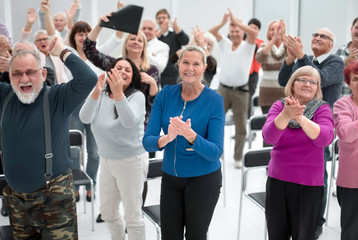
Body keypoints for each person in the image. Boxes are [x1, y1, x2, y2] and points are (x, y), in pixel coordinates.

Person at [1, 36, 97, 239]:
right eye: (17, 74)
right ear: (9, 77)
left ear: (43, 74)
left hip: (53, 200)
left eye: (30, 72)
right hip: (17, 201)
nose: (24, 79)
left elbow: (88, 79)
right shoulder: (5, 97)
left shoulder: (57, 97)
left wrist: (63, 52)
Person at [143, 45, 225, 239]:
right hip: (171, 179)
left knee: (196, 235)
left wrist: (192, 137)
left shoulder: (214, 100)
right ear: (178, 65)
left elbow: (216, 151)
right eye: (185, 62)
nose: (190, 68)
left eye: (196, 63)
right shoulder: (165, 95)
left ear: (204, 67)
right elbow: (148, 141)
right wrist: (168, 138)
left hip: (203, 179)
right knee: (170, 235)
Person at [278, 24, 345, 238]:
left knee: (318, 176)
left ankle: (316, 221)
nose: (316, 37)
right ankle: (292, 214)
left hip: (319, 125)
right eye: (314, 34)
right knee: (295, 169)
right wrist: (290, 59)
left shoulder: (336, 62)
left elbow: (320, 79)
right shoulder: (306, 60)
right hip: (295, 121)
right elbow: (283, 81)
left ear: (331, 44)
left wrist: (300, 56)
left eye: (323, 36)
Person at [262, 66, 334, 240]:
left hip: (308, 185)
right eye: (302, 79)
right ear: (292, 84)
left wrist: (299, 117)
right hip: (278, 181)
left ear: (317, 87)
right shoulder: (280, 106)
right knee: (276, 235)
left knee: (303, 235)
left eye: (313, 82)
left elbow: (325, 138)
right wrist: (286, 115)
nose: (307, 84)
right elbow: (268, 136)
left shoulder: (322, 109)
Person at [79, 57, 148, 240]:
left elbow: (128, 122)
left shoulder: (137, 96)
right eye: (119, 68)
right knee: (108, 212)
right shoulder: (101, 95)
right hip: (106, 160)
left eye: (128, 69)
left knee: (132, 216)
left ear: (133, 77)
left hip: (131, 161)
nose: (123, 71)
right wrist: (96, 90)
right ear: (111, 72)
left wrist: (118, 93)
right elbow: (85, 118)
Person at [83, 12, 160, 128]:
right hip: (113, 122)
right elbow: (88, 50)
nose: (135, 42)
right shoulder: (114, 64)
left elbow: (155, 106)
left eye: (140, 40)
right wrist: (100, 25)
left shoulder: (152, 70)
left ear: (144, 46)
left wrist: (153, 84)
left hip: (141, 126)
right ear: (126, 44)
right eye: (132, 39)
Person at [209, 9, 258, 168]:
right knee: (217, 123)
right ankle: (218, 153)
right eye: (232, 31)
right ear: (229, 33)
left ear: (241, 32)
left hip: (241, 91)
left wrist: (237, 22)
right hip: (223, 89)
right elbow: (212, 32)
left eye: (237, 31)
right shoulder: (226, 43)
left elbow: (252, 33)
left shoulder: (248, 46)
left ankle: (237, 156)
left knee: (241, 125)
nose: (235, 34)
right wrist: (224, 23)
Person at [67, 21, 102, 202]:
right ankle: (74, 186)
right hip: (75, 108)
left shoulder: (96, 57)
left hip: (95, 108)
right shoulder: (69, 56)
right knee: (74, 150)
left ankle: (90, 185)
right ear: (73, 37)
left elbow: (116, 40)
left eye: (87, 33)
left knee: (94, 153)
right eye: (80, 34)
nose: (83, 37)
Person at [333, 60, 358, 240]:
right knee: (351, 231)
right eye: (356, 78)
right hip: (352, 181)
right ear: (349, 83)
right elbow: (346, 133)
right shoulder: (342, 105)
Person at [20, 7, 69, 84]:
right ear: (35, 44)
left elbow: (53, 34)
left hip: (60, 91)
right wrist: (29, 24)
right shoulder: (34, 56)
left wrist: (47, 11)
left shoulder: (57, 54)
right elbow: (21, 46)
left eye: (45, 39)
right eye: (39, 40)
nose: (42, 41)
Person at [256, 20, 287, 114]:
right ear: (268, 33)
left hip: (284, 93)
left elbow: (292, 56)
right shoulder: (263, 46)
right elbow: (259, 58)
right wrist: (273, 40)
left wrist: (284, 35)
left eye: (278, 29)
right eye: (272, 29)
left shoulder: (287, 45)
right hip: (266, 94)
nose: (275, 32)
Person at [156, 8, 190, 87]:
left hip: (174, 72)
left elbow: (185, 41)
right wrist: (160, 32)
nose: (161, 20)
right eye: (159, 18)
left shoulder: (175, 34)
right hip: (159, 73)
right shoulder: (155, 36)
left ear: (168, 19)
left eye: (164, 17)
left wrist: (177, 28)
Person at [336, 17, 358, 96]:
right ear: (351, 29)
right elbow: (332, 75)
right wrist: (345, 62)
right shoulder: (340, 51)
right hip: (340, 101)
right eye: (357, 28)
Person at [246, 18, 264, 117]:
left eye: (255, 28)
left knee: (248, 97)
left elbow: (255, 49)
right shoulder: (242, 40)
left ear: (258, 31)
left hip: (253, 75)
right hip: (242, 74)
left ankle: (248, 119)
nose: (252, 30)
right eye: (250, 27)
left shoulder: (260, 42)